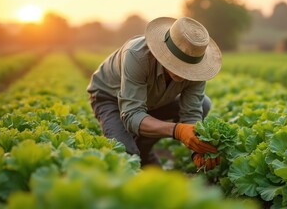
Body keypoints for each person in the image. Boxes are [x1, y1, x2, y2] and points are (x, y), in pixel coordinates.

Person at [87, 16, 222, 171]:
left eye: (188, 68)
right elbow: (131, 115)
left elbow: (191, 114)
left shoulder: (197, 69)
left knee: (204, 104)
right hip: (110, 97)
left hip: (154, 100)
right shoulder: (136, 55)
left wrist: (197, 150)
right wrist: (177, 130)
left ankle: (143, 150)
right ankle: (135, 153)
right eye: (177, 64)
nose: (183, 73)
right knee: (124, 155)